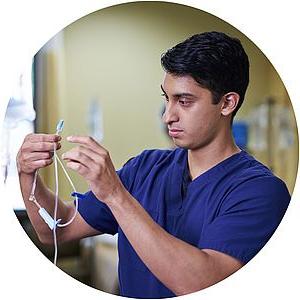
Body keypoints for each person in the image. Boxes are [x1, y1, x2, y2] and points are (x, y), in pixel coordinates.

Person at [17, 31, 290, 298]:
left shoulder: (262, 192)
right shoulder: (145, 168)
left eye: (184, 101)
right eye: (166, 99)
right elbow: (56, 230)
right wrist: (28, 176)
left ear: (227, 103)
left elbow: (201, 284)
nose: (168, 116)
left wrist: (115, 195)